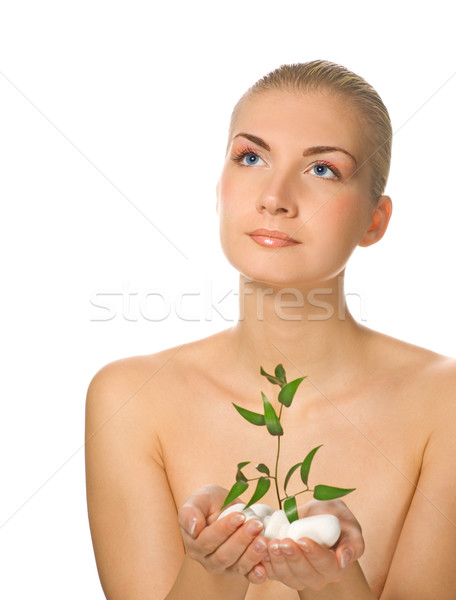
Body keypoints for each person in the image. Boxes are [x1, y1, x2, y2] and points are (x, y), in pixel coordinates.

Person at [85, 60, 456, 599]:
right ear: (219, 190)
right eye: (251, 157)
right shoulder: (129, 399)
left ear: (375, 220)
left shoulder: (444, 403)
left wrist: (332, 580)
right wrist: (214, 570)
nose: (275, 197)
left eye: (322, 169)